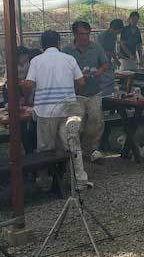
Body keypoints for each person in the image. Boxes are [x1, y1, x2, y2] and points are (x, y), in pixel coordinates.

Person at [23, 31, 90, 188]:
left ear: (42, 44)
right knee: (72, 144)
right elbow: (81, 82)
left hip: (45, 111)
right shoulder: (69, 59)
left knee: (45, 148)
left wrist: (27, 98)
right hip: (68, 109)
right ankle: (80, 180)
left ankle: (44, 181)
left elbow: (29, 84)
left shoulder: (36, 61)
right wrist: (72, 95)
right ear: (58, 43)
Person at [62, 21, 109, 163]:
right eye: (81, 34)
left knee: (96, 120)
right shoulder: (66, 51)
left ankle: (91, 148)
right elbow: (63, 71)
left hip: (94, 91)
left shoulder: (96, 47)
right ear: (74, 34)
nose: (84, 37)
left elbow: (105, 64)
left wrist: (99, 72)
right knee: (76, 123)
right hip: (75, 94)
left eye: (87, 34)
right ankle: (76, 152)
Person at [98, 19, 125, 95]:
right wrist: (117, 61)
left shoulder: (111, 35)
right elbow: (108, 51)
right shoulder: (107, 36)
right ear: (114, 28)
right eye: (119, 31)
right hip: (103, 63)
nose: (119, 33)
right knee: (107, 83)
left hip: (106, 62)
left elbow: (112, 50)